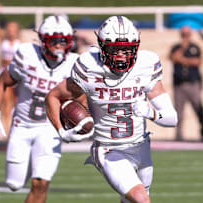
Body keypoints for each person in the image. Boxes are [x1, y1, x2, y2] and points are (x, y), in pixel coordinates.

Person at [45, 16, 177, 203]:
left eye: (127, 49)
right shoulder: (89, 67)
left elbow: (172, 118)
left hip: (141, 148)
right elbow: (53, 96)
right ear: (103, 46)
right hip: (109, 150)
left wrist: (151, 112)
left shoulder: (146, 64)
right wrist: (61, 131)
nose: (122, 55)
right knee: (141, 199)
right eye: (115, 48)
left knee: (131, 200)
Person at [0, 15, 78, 203]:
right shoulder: (27, 55)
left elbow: (84, 97)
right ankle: (28, 165)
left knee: (41, 183)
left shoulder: (74, 64)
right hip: (22, 126)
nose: (60, 46)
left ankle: (37, 168)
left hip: (50, 129)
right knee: (14, 184)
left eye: (64, 41)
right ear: (43, 40)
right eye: (55, 41)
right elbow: (1, 82)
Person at [0, 3, 21, 136]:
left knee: (14, 101)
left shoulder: (21, 42)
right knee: (5, 101)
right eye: (10, 28)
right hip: (5, 71)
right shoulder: (3, 38)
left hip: (17, 72)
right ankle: (4, 128)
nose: (11, 31)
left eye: (14, 29)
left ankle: (11, 129)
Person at [170, 26, 203, 141]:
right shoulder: (176, 47)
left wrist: (182, 59)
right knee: (178, 111)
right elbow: (173, 57)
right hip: (179, 84)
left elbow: (197, 61)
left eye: (187, 34)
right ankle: (179, 135)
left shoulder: (195, 47)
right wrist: (182, 50)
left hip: (193, 82)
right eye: (184, 35)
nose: (185, 37)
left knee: (198, 107)